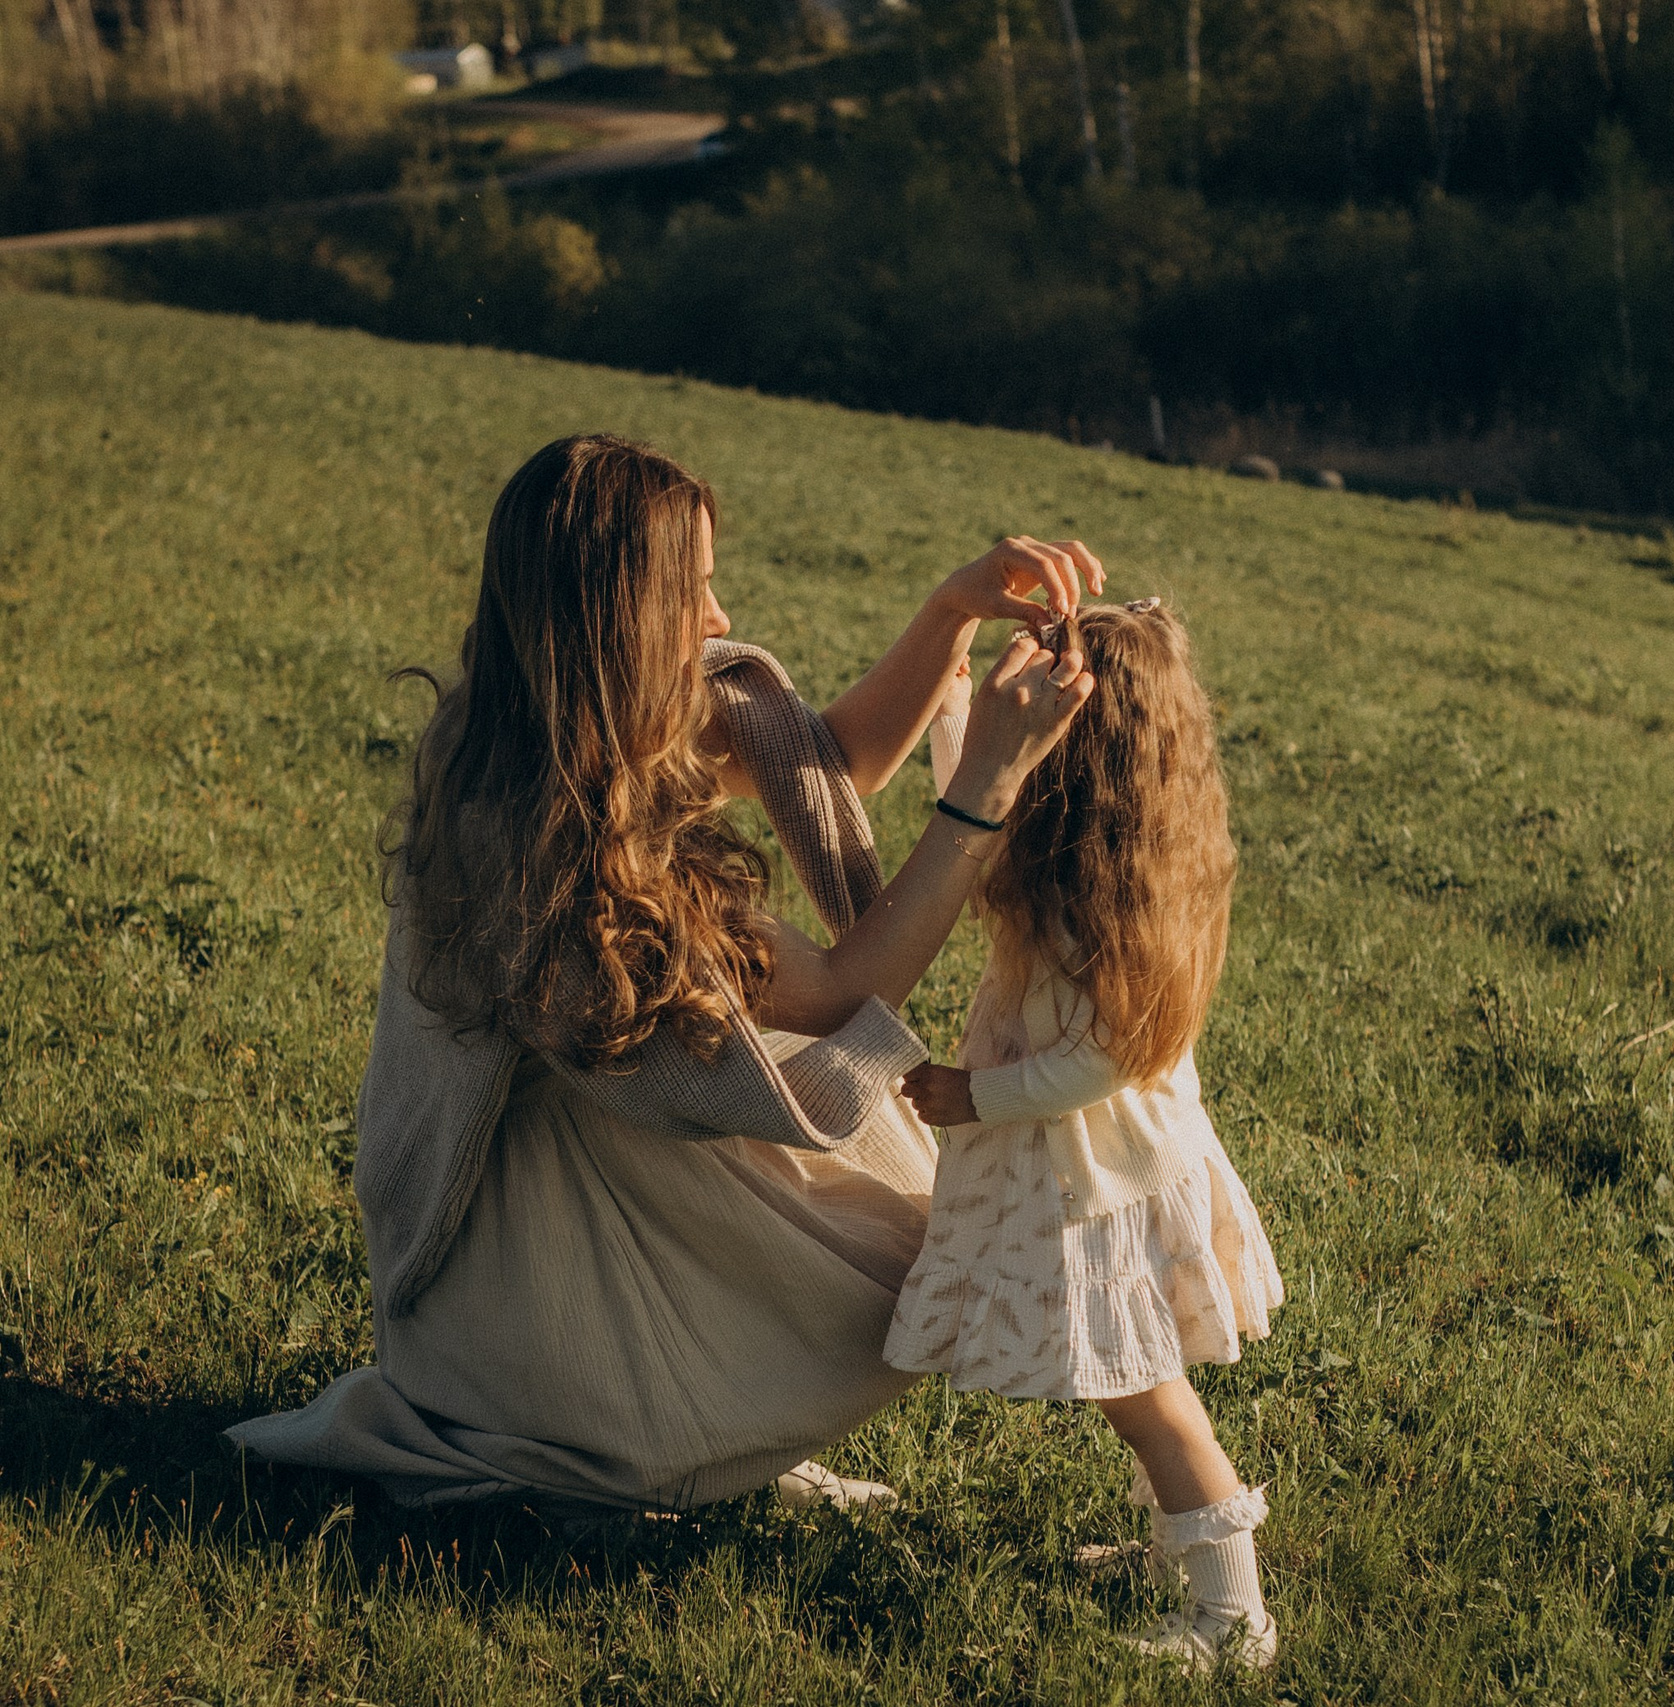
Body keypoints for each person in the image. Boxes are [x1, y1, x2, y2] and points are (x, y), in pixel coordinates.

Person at [227, 433, 1099, 1514]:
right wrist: (985, 789)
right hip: (527, 1282)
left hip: (569, 1180)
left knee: (896, 1191)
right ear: (613, 616)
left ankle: (711, 1423)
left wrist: (947, 615)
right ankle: (627, 1425)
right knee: (903, 1230)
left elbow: (824, 762)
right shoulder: (548, 851)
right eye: (691, 590)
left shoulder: (543, 720)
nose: (721, 618)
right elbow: (837, 994)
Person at [888, 599, 1286, 1671]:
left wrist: (978, 1096)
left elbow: (1108, 1062)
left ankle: (1233, 1617)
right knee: (1134, 1391)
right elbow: (965, 797)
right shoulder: (1076, 851)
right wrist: (957, 680)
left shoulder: (1111, 902)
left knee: (1144, 1391)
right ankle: (1177, 1554)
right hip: (1083, 1169)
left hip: (1106, 1182)